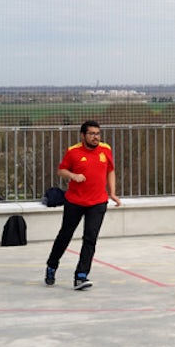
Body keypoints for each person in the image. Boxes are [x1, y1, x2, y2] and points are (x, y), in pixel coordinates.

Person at [45, 120, 121, 289]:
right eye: (92, 134)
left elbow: (111, 170)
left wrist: (113, 193)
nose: (96, 137)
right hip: (75, 201)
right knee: (65, 235)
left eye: (98, 134)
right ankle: (51, 265)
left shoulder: (106, 149)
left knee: (90, 239)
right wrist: (73, 176)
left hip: (98, 202)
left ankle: (81, 275)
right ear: (83, 135)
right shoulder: (73, 152)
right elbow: (61, 170)